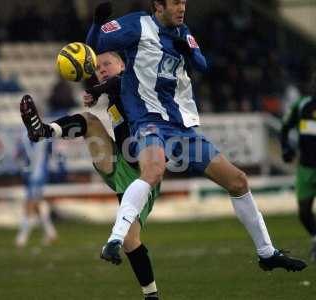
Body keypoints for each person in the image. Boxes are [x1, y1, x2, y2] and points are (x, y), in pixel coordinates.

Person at [86, 0, 307, 272]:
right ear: (158, 6)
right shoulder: (136, 25)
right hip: (148, 120)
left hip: (181, 127)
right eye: (176, 3)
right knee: (152, 171)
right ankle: (115, 239)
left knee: (238, 181)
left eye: (184, 2)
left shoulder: (183, 31)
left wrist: (186, 51)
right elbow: (95, 47)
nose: (182, 7)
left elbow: (202, 64)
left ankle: (267, 253)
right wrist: (97, 22)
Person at [20, 51, 161, 299]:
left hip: (144, 173)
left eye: (107, 64)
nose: (102, 69)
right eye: (97, 67)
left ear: (122, 64)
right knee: (89, 120)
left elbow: (120, 81)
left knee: (130, 241)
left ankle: (151, 295)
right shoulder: (110, 91)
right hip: (119, 163)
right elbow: (104, 87)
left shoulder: (134, 80)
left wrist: (97, 89)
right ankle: (43, 130)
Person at [281, 71, 316, 261]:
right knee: (304, 211)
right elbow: (285, 126)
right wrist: (286, 147)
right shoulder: (302, 105)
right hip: (306, 167)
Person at [15, 132, 57, 247]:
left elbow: (19, 154)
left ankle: (22, 236)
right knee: (36, 203)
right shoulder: (27, 133)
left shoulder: (37, 134)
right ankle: (50, 232)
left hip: (37, 174)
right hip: (31, 173)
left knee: (29, 203)